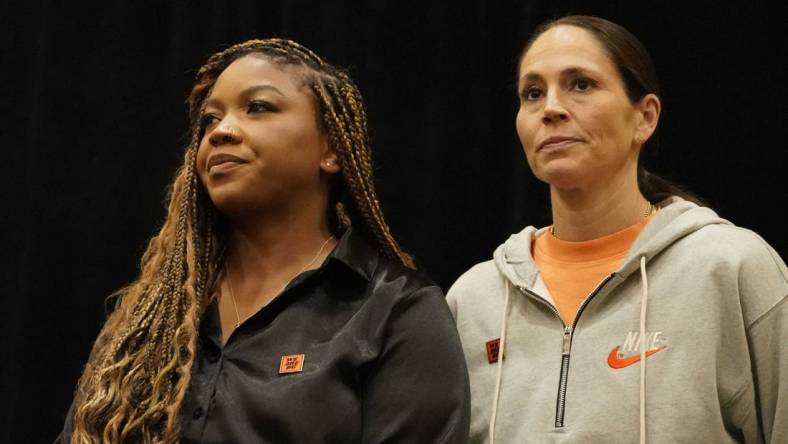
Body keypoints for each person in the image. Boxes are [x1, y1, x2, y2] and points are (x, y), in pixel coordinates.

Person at [56, 38, 469, 444]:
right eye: (210, 120)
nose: (222, 131)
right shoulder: (151, 317)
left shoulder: (396, 313)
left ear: (331, 149)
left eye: (257, 107)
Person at [447, 15, 787, 444]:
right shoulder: (473, 299)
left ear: (645, 117)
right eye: (533, 93)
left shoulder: (730, 268)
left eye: (581, 84)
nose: (551, 108)